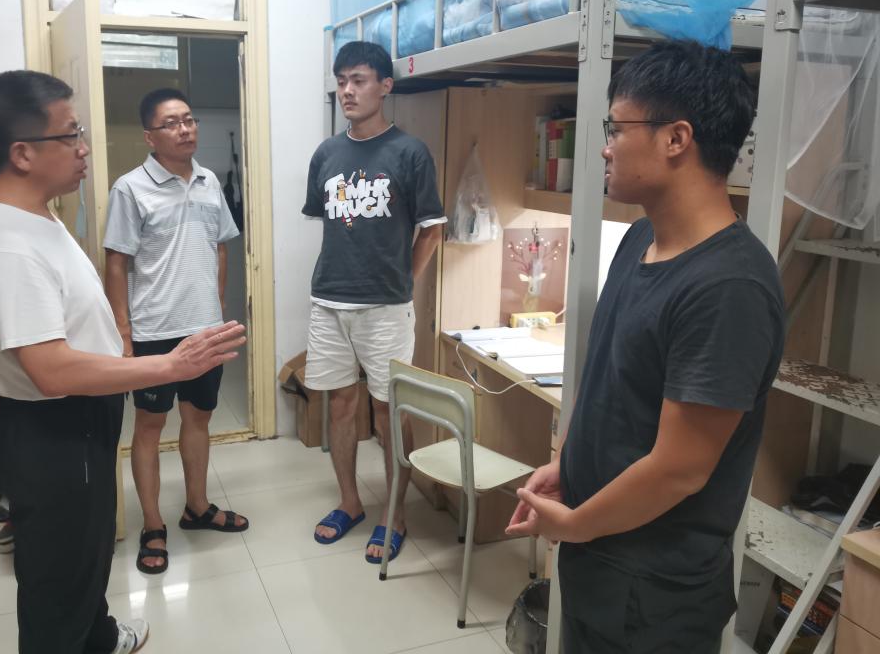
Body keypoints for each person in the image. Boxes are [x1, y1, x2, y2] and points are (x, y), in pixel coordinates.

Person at [506, 40, 785, 653]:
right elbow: (612, 382)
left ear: (676, 139)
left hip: (654, 594)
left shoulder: (728, 288)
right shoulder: (638, 239)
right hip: (599, 558)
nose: (605, 147)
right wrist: (569, 466)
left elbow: (679, 469)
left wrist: (576, 524)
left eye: (616, 128)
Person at [0, 70, 246, 654]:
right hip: (56, 428)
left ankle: (100, 636)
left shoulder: (32, 215)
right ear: (23, 153)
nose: (84, 147)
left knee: (83, 559)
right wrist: (166, 366)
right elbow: (52, 370)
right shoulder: (8, 246)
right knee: (59, 580)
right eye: (71, 134)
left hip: (74, 423)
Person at [303, 41, 446, 562]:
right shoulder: (327, 154)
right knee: (341, 405)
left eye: (358, 80)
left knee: (389, 412)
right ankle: (350, 502)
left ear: (385, 86)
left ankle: (394, 513)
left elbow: (431, 230)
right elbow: (331, 224)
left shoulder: (409, 152)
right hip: (328, 300)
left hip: (385, 308)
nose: (347, 90)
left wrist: (402, 281)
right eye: (341, 80)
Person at [104, 88, 248, 575]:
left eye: (189, 119)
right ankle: (152, 524)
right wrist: (124, 334)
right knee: (149, 427)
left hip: (205, 329)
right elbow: (116, 262)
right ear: (150, 136)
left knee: (199, 419)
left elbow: (221, 245)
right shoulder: (130, 188)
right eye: (171, 123)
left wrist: (216, 305)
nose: (185, 129)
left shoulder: (209, 181)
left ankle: (197, 507)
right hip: (154, 332)